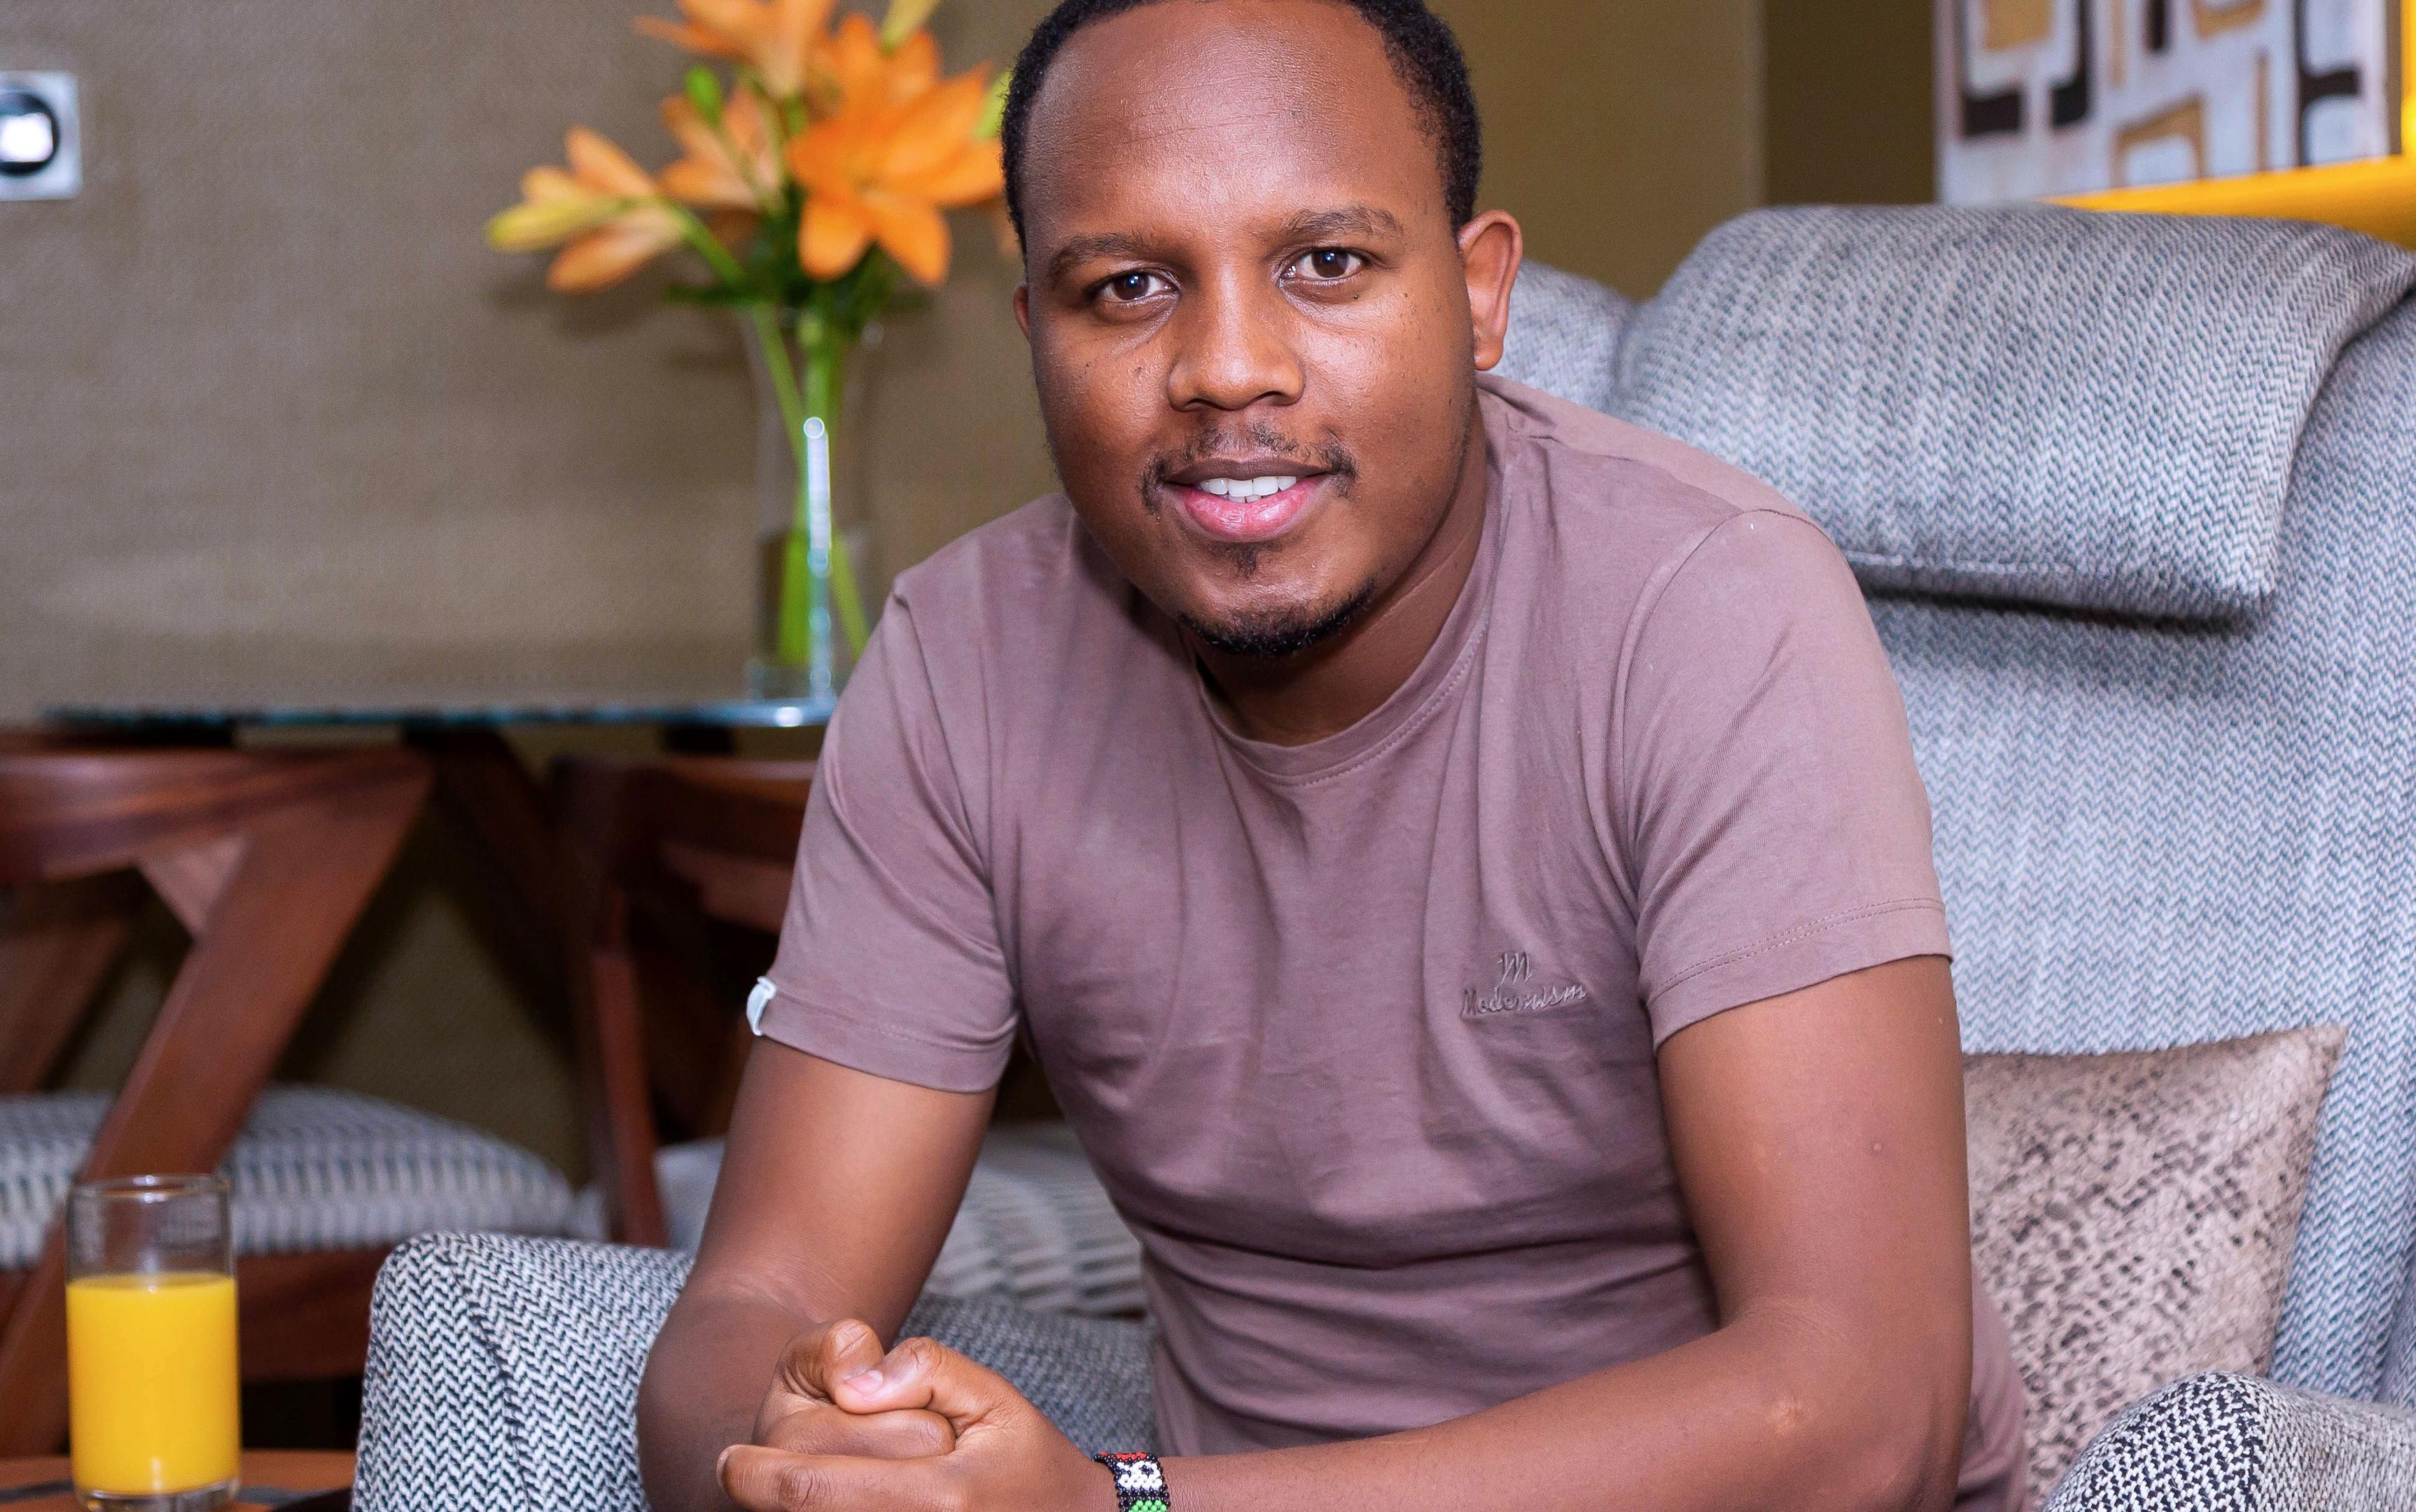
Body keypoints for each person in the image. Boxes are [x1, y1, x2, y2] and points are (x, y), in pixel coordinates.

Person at [637, 0, 2027, 1508]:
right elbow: (753, 1301)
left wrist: (1129, 1510)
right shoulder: (966, 664)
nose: (1229, 368)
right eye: (1129, 286)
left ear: (1484, 295)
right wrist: (810, 1441)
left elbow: (1865, 1410)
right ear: (1035, 328)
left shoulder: (1708, 609)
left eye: (1327, 265)